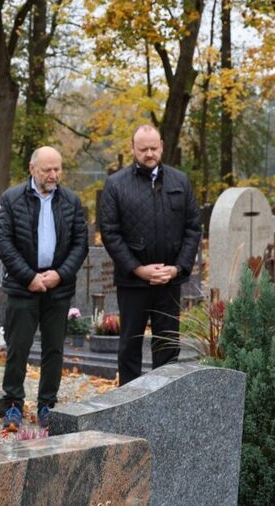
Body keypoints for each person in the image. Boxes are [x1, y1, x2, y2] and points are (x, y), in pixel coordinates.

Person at [99, 124, 201, 385]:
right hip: (133, 282)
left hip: (169, 281)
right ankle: (129, 401)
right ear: (133, 149)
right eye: (143, 149)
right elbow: (110, 233)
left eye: (154, 148)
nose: (149, 154)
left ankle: (163, 398)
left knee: (167, 345)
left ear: (162, 147)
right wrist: (137, 268)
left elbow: (192, 228)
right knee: (130, 345)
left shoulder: (180, 181)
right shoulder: (116, 184)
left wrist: (177, 268)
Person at [0, 146, 87, 429]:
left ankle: (47, 404)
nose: (53, 174)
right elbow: (4, 242)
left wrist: (59, 274)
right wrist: (29, 277)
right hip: (24, 288)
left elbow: (80, 243)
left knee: (53, 350)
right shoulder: (12, 198)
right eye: (47, 169)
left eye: (57, 169)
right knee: (18, 347)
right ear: (32, 169)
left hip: (57, 289)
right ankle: (13, 404)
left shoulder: (71, 201)